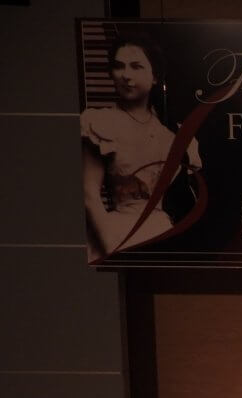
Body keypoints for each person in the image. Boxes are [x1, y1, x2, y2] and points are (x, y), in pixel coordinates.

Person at [80, 33, 201, 262]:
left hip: (163, 232)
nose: (125, 75)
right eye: (119, 66)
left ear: (155, 76)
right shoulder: (102, 123)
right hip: (115, 234)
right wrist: (113, 246)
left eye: (136, 66)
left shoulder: (173, 133)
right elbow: (89, 194)